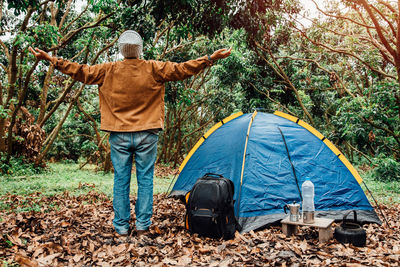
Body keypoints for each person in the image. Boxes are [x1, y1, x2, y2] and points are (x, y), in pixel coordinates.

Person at [29, 30, 232, 236]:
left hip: (119, 134)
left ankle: (121, 227)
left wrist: (51, 59)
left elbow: (80, 71)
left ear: (121, 50)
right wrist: (209, 58)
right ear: (140, 49)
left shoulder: (107, 70)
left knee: (121, 180)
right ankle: (143, 226)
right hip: (147, 133)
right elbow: (183, 69)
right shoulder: (154, 68)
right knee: (145, 180)